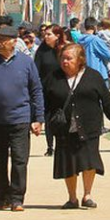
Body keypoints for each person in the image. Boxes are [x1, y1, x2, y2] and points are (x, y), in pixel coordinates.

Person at [0, 25, 45, 212]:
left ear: (14, 41)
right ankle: (2, 197)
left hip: (20, 120)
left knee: (20, 161)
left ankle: (17, 199)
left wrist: (38, 118)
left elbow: (36, 91)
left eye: (3, 39)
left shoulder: (26, 63)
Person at [44, 44, 110, 210]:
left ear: (80, 60)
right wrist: (37, 120)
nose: (65, 62)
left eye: (69, 58)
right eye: (63, 58)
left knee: (89, 160)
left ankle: (87, 195)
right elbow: (44, 101)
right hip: (64, 128)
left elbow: (106, 100)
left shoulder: (93, 76)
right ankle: (72, 198)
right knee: (68, 162)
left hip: (89, 126)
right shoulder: (53, 77)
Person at [34, 26, 68, 157]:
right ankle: (50, 146)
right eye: (45, 34)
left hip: (62, 87)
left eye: (49, 34)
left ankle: (62, 143)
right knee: (48, 117)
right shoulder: (41, 51)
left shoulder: (64, 50)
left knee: (62, 116)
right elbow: (36, 69)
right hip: (46, 89)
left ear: (57, 36)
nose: (45, 37)